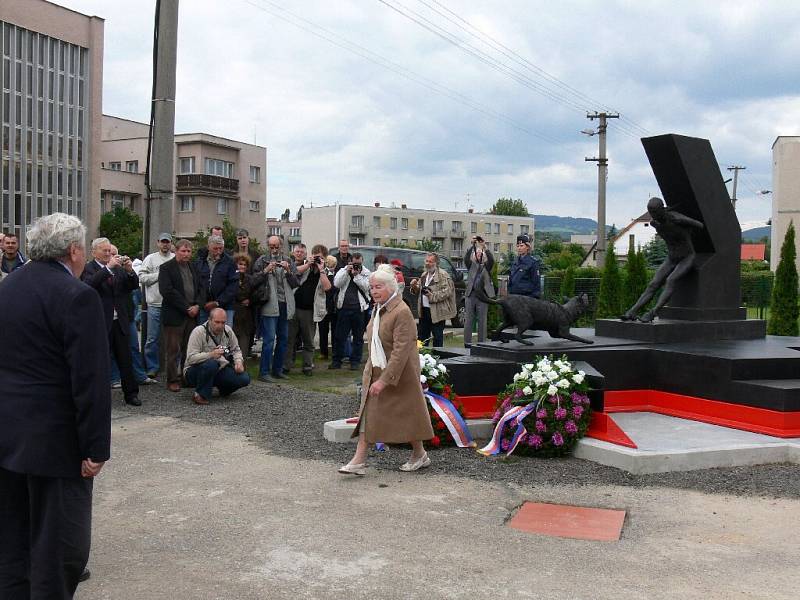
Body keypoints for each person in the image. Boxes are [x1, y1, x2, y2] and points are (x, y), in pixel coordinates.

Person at [0, 213, 111, 596]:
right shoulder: (77, 296)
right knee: (60, 548)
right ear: (75, 250)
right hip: (56, 443)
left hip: (8, 435)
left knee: (12, 540)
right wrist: (96, 448)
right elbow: (90, 381)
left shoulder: (8, 286)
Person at [339, 265, 434, 476]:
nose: (373, 290)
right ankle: (360, 459)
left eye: (378, 286)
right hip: (377, 371)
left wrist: (383, 380)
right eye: (371, 287)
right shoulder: (379, 308)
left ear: (391, 287)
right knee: (370, 414)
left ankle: (418, 454)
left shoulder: (402, 311)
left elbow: (401, 351)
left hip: (398, 375)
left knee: (407, 416)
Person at [622, 196, 705, 322]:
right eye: (650, 212)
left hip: (687, 257)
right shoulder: (654, 223)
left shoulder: (676, 218)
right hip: (671, 258)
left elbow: (700, 225)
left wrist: (686, 223)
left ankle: (653, 312)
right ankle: (632, 312)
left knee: (671, 280)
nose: (652, 215)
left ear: (662, 209)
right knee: (653, 284)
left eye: (655, 212)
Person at [82, 237, 141, 406]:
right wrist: (107, 269)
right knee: (100, 360)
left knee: (125, 358)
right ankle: (98, 395)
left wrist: (130, 271)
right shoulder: (89, 269)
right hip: (100, 322)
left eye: (110, 250)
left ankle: (131, 393)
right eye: (105, 250)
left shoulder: (118, 269)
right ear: (94, 252)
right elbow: (89, 285)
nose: (108, 253)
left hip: (119, 320)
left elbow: (133, 286)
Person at [158, 239, 204, 393]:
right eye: (183, 251)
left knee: (189, 348)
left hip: (193, 314)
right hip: (175, 314)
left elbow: (201, 288)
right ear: (176, 250)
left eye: (189, 251)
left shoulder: (193, 267)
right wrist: (186, 307)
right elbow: (167, 291)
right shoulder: (166, 268)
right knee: (173, 349)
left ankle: (185, 377)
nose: (186, 254)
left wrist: (198, 305)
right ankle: (172, 380)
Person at [252, 235, 298, 382]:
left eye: (276, 246)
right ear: (268, 246)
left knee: (283, 339)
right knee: (269, 340)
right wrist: (266, 270)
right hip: (269, 304)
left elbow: (296, 282)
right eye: (271, 246)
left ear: (281, 246)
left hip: (285, 303)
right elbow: (253, 280)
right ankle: (264, 372)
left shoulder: (288, 260)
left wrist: (288, 270)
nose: (274, 249)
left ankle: (277, 370)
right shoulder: (261, 260)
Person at [183, 308, 250, 405]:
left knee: (244, 378)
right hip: (194, 371)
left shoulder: (228, 331)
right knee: (211, 364)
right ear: (209, 320)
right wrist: (211, 354)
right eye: (217, 322)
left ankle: (224, 389)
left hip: (219, 368)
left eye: (223, 322)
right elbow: (190, 358)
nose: (220, 326)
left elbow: (234, 350)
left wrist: (239, 362)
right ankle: (200, 395)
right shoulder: (198, 332)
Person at [286, 244, 331, 375]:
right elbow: (293, 271)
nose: (318, 260)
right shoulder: (305, 266)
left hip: (310, 311)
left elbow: (328, 287)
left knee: (308, 340)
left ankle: (307, 366)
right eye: (316, 257)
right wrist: (309, 264)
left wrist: (321, 269)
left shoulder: (325, 271)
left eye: (320, 258)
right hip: (294, 307)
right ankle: (287, 365)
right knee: (290, 339)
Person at [138, 233, 175, 377]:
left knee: (172, 338)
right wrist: (159, 275)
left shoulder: (174, 258)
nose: (165, 244)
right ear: (158, 243)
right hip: (154, 304)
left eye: (168, 242)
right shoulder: (150, 259)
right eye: (163, 242)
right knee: (151, 338)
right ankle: (152, 367)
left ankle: (171, 368)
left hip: (171, 304)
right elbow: (141, 277)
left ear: (171, 243)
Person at [331, 252, 371, 370]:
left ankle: (355, 362)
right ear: (350, 262)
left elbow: (367, 287)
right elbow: (337, 284)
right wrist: (347, 272)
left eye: (358, 264)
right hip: (344, 308)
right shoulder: (344, 270)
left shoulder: (366, 273)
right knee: (340, 337)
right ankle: (336, 361)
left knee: (358, 338)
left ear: (362, 262)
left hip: (359, 309)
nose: (356, 266)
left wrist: (357, 276)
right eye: (354, 263)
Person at [409, 253, 456, 347]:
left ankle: (438, 358)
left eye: (430, 261)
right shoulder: (424, 275)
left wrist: (432, 296)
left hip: (438, 312)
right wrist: (414, 286)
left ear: (436, 263)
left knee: (437, 337)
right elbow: (418, 290)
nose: (427, 263)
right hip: (424, 311)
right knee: (422, 336)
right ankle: (421, 357)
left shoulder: (443, 275)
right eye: (426, 261)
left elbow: (447, 292)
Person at [195, 235, 238, 326]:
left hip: (225, 306)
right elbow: (197, 283)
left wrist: (217, 302)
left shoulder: (230, 262)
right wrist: (201, 302)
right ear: (208, 247)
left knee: (224, 336)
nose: (218, 251)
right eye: (215, 249)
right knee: (204, 335)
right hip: (205, 306)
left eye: (221, 248)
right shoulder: (200, 262)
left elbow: (233, 286)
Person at [463, 236, 495, 347]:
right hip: (471, 295)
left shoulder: (487, 266)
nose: (479, 255)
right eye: (477, 253)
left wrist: (484, 247)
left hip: (483, 296)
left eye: (481, 253)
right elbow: (466, 258)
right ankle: (467, 344)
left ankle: (482, 345)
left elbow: (491, 260)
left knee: (482, 321)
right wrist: (473, 245)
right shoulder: (470, 265)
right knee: (468, 320)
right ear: (474, 255)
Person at [232, 253, 256, 359]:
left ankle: (242, 371)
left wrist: (250, 300)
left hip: (246, 317)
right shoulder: (231, 278)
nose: (242, 266)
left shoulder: (250, 279)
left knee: (243, 349)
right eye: (240, 264)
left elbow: (257, 294)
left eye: (245, 265)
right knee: (231, 348)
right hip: (233, 315)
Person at [317, 255, 339, 360]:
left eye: (333, 264)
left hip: (334, 307)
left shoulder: (337, 274)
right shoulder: (323, 274)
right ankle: (323, 352)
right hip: (324, 305)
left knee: (335, 330)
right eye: (330, 264)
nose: (332, 266)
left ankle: (335, 351)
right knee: (323, 330)